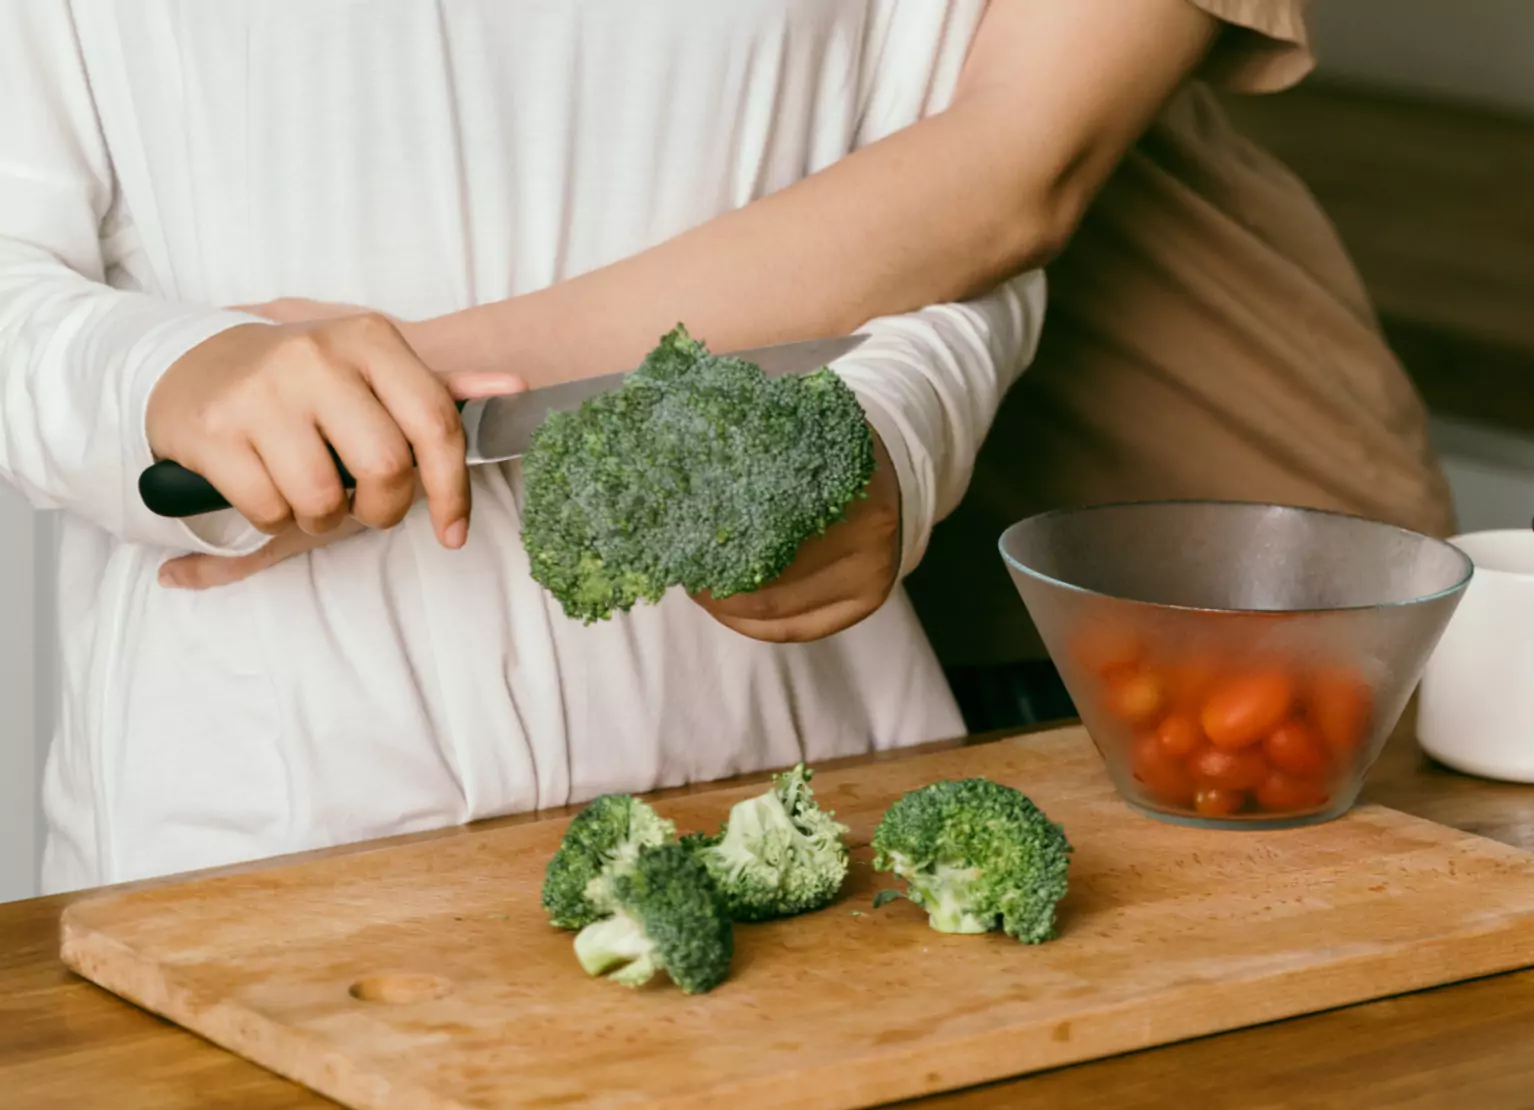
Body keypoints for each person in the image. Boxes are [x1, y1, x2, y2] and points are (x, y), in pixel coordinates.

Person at [0, 1, 1433, 894]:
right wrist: (161, 374)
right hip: (259, 789)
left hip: (805, 739)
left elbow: (984, 212)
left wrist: (884, 440)